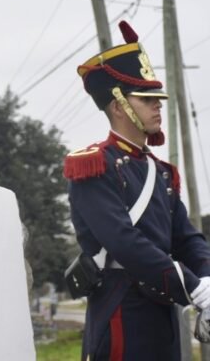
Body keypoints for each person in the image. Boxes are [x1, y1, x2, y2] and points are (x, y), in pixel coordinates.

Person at [64, 20, 210, 360]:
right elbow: (124, 243)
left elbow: (186, 238)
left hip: (163, 312)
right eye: (147, 99)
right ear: (119, 105)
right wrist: (193, 288)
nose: (158, 105)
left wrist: (207, 279)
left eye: (157, 99)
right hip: (122, 311)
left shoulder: (160, 172)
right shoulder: (93, 165)